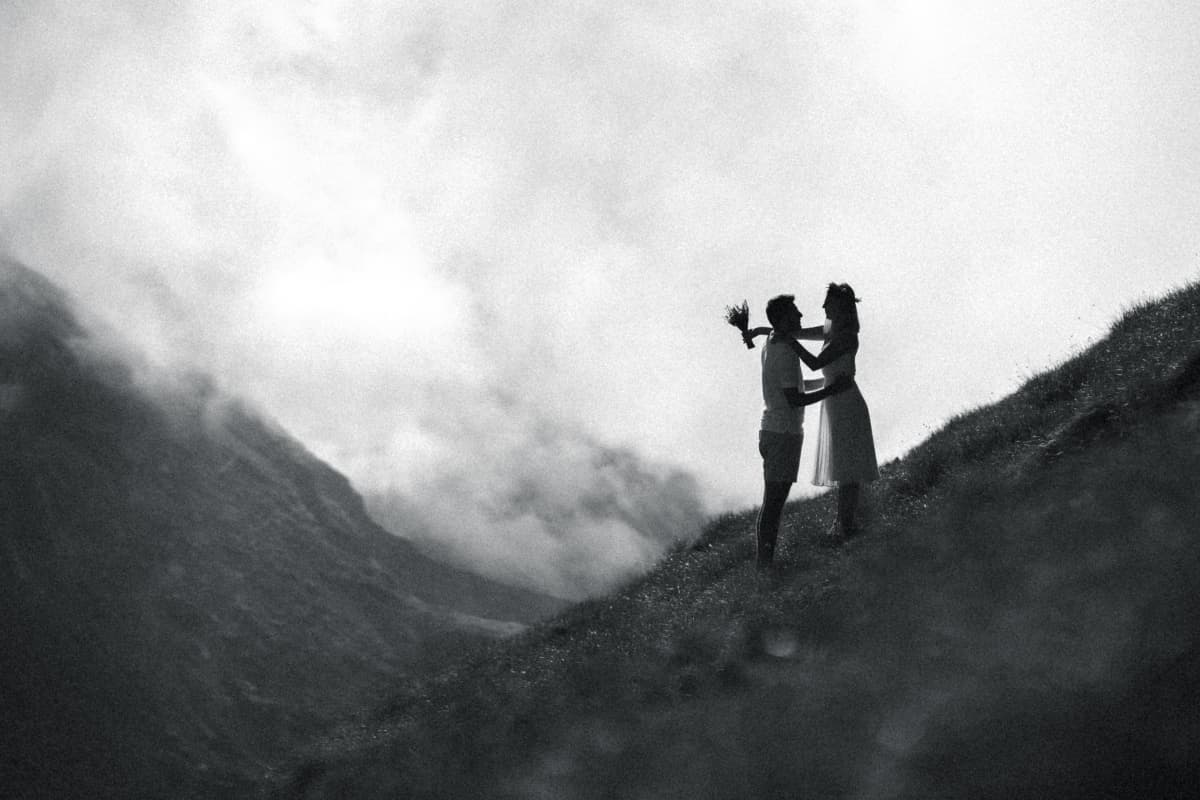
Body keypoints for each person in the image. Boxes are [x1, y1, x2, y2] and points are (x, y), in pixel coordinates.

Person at [750, 294, 851, 569]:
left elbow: (796, 385)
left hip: (774, 429)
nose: (801, 317)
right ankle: (764, 566)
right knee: (773, 504)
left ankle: (764, 564)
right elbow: (794, 398)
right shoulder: (784, 350)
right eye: (795, 314)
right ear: (784, 320)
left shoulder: (772, 341)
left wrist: (828, 381)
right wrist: (831, 389)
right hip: (783, 433)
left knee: (772, 502)